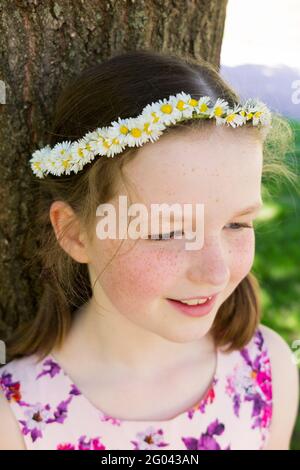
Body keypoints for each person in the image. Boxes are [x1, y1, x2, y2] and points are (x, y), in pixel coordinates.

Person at [0, 49, 298, 450]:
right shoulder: (15, 418)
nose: (216, 273)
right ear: (75, 233)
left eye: (236, 224)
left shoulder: (268, 372)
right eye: (167, 232)